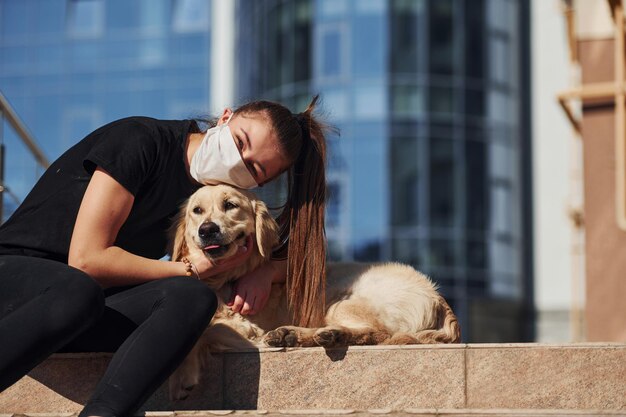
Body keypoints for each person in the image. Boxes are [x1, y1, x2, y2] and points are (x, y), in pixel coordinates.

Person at [0, 95, 329, 416]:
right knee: (79, 289)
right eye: (240, 142)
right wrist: (189, 268)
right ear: (226, 116)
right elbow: (86, 260)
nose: (238, 161)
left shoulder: (205, 201)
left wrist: (266, 272)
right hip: (17, 285)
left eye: (254, 168)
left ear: (257, 184)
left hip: (83, 312)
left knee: (194, 299)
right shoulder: (141, 140)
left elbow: (304, 259)